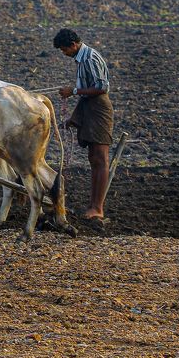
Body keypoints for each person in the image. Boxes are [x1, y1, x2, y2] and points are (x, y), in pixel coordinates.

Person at [53, 28, 114, 221]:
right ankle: (93, 205)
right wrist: (75, 118)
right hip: (89, 107)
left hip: (99, 109)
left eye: (64, 50)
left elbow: (101, 88)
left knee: (100, 159)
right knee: (94, 159)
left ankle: (97, 208)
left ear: (73, 45)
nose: (64, 53)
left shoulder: (89, 58)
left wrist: (73, 91)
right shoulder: (81, 58)